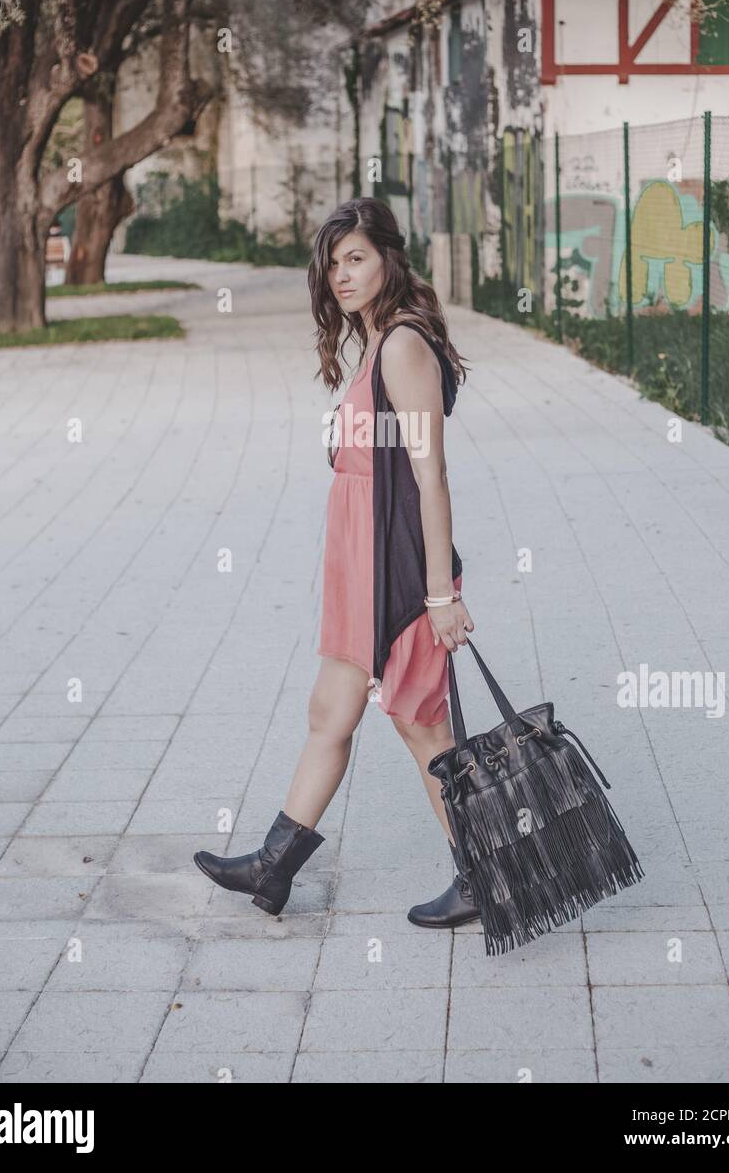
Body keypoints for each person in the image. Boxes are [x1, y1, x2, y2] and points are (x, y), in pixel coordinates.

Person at [194, 198, 479, 928]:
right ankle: (273, 866)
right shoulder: (376, 342)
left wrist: (440, 593)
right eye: (332, 262)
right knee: (332, 711)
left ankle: (487, 874)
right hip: (360, 561)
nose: (342, 274)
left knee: (423, 726)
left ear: (389, 258)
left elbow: (430, 475)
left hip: (400, 569)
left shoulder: (403, 346)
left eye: (357, 258)